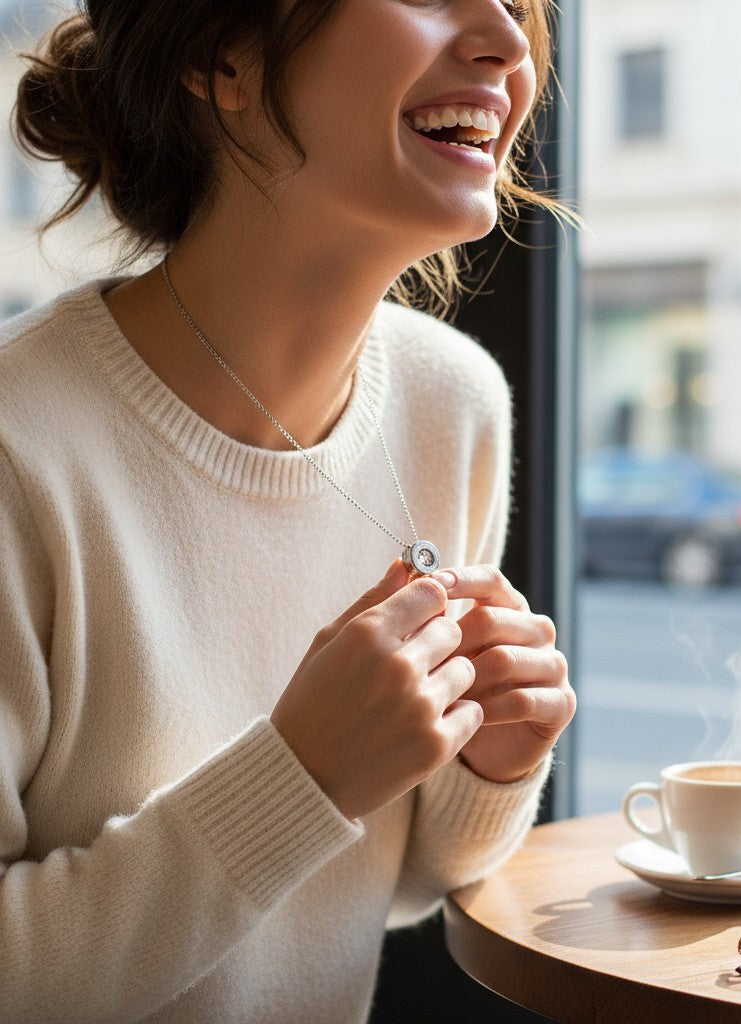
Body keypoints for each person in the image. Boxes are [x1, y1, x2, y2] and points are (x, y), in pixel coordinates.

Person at [0, 1, 575, 1021]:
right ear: (222, 55)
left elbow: (379, 890)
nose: (505, 39)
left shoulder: (453, 405)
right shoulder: (19, 450)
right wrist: (299, 774)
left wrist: (489, 764)